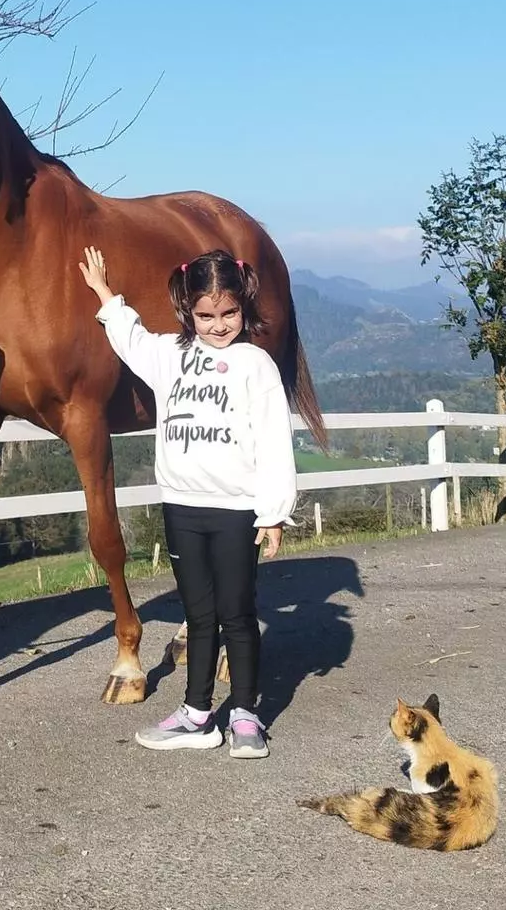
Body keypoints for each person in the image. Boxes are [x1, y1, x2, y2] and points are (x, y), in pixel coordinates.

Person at [77, 246, 295, 758]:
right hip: (181, 507)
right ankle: (198, 715)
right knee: (199, 617)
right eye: (205, 316)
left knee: (237, 614)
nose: (219, 326)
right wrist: (105, 293)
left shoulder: (255, 364)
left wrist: (274, 511)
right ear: (186, 311)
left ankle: (245, 714)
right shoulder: (169, 355)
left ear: (243, 307)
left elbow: (273, 440)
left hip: (237, 510)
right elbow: (129, 337)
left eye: (229, 314)